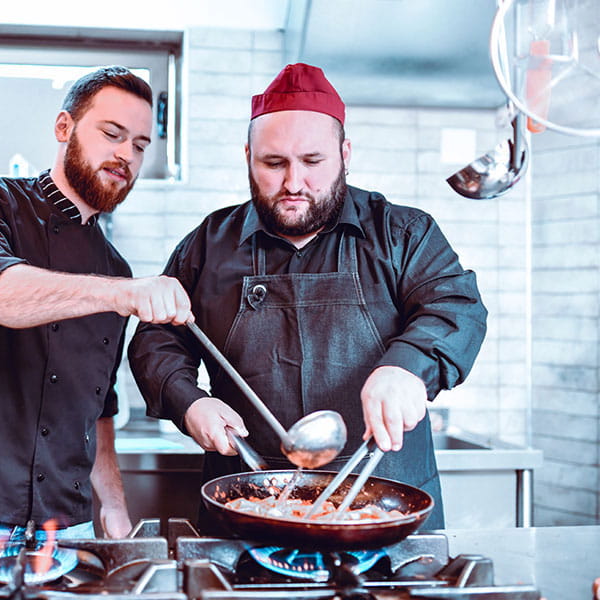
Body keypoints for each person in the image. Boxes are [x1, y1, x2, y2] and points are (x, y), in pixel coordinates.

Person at [127, 63, 487, 531]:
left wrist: (407, 366)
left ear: (345, 153)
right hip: (248, 503)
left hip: (383, 505)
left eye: (312, 162)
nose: (294, 183)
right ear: (248, 157)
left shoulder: (403, 233)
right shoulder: (210, 243)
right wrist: (187, 401)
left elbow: (456, 307)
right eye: (273, 163)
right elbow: (158, 339)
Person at [0, 66, 192, 542]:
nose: (125, 155)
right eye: (111, 134)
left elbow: (97, 407)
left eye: (138, 145)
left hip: (63, 528)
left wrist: (113, 507)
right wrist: (122, 294)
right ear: (64, 127)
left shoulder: (115, 268)